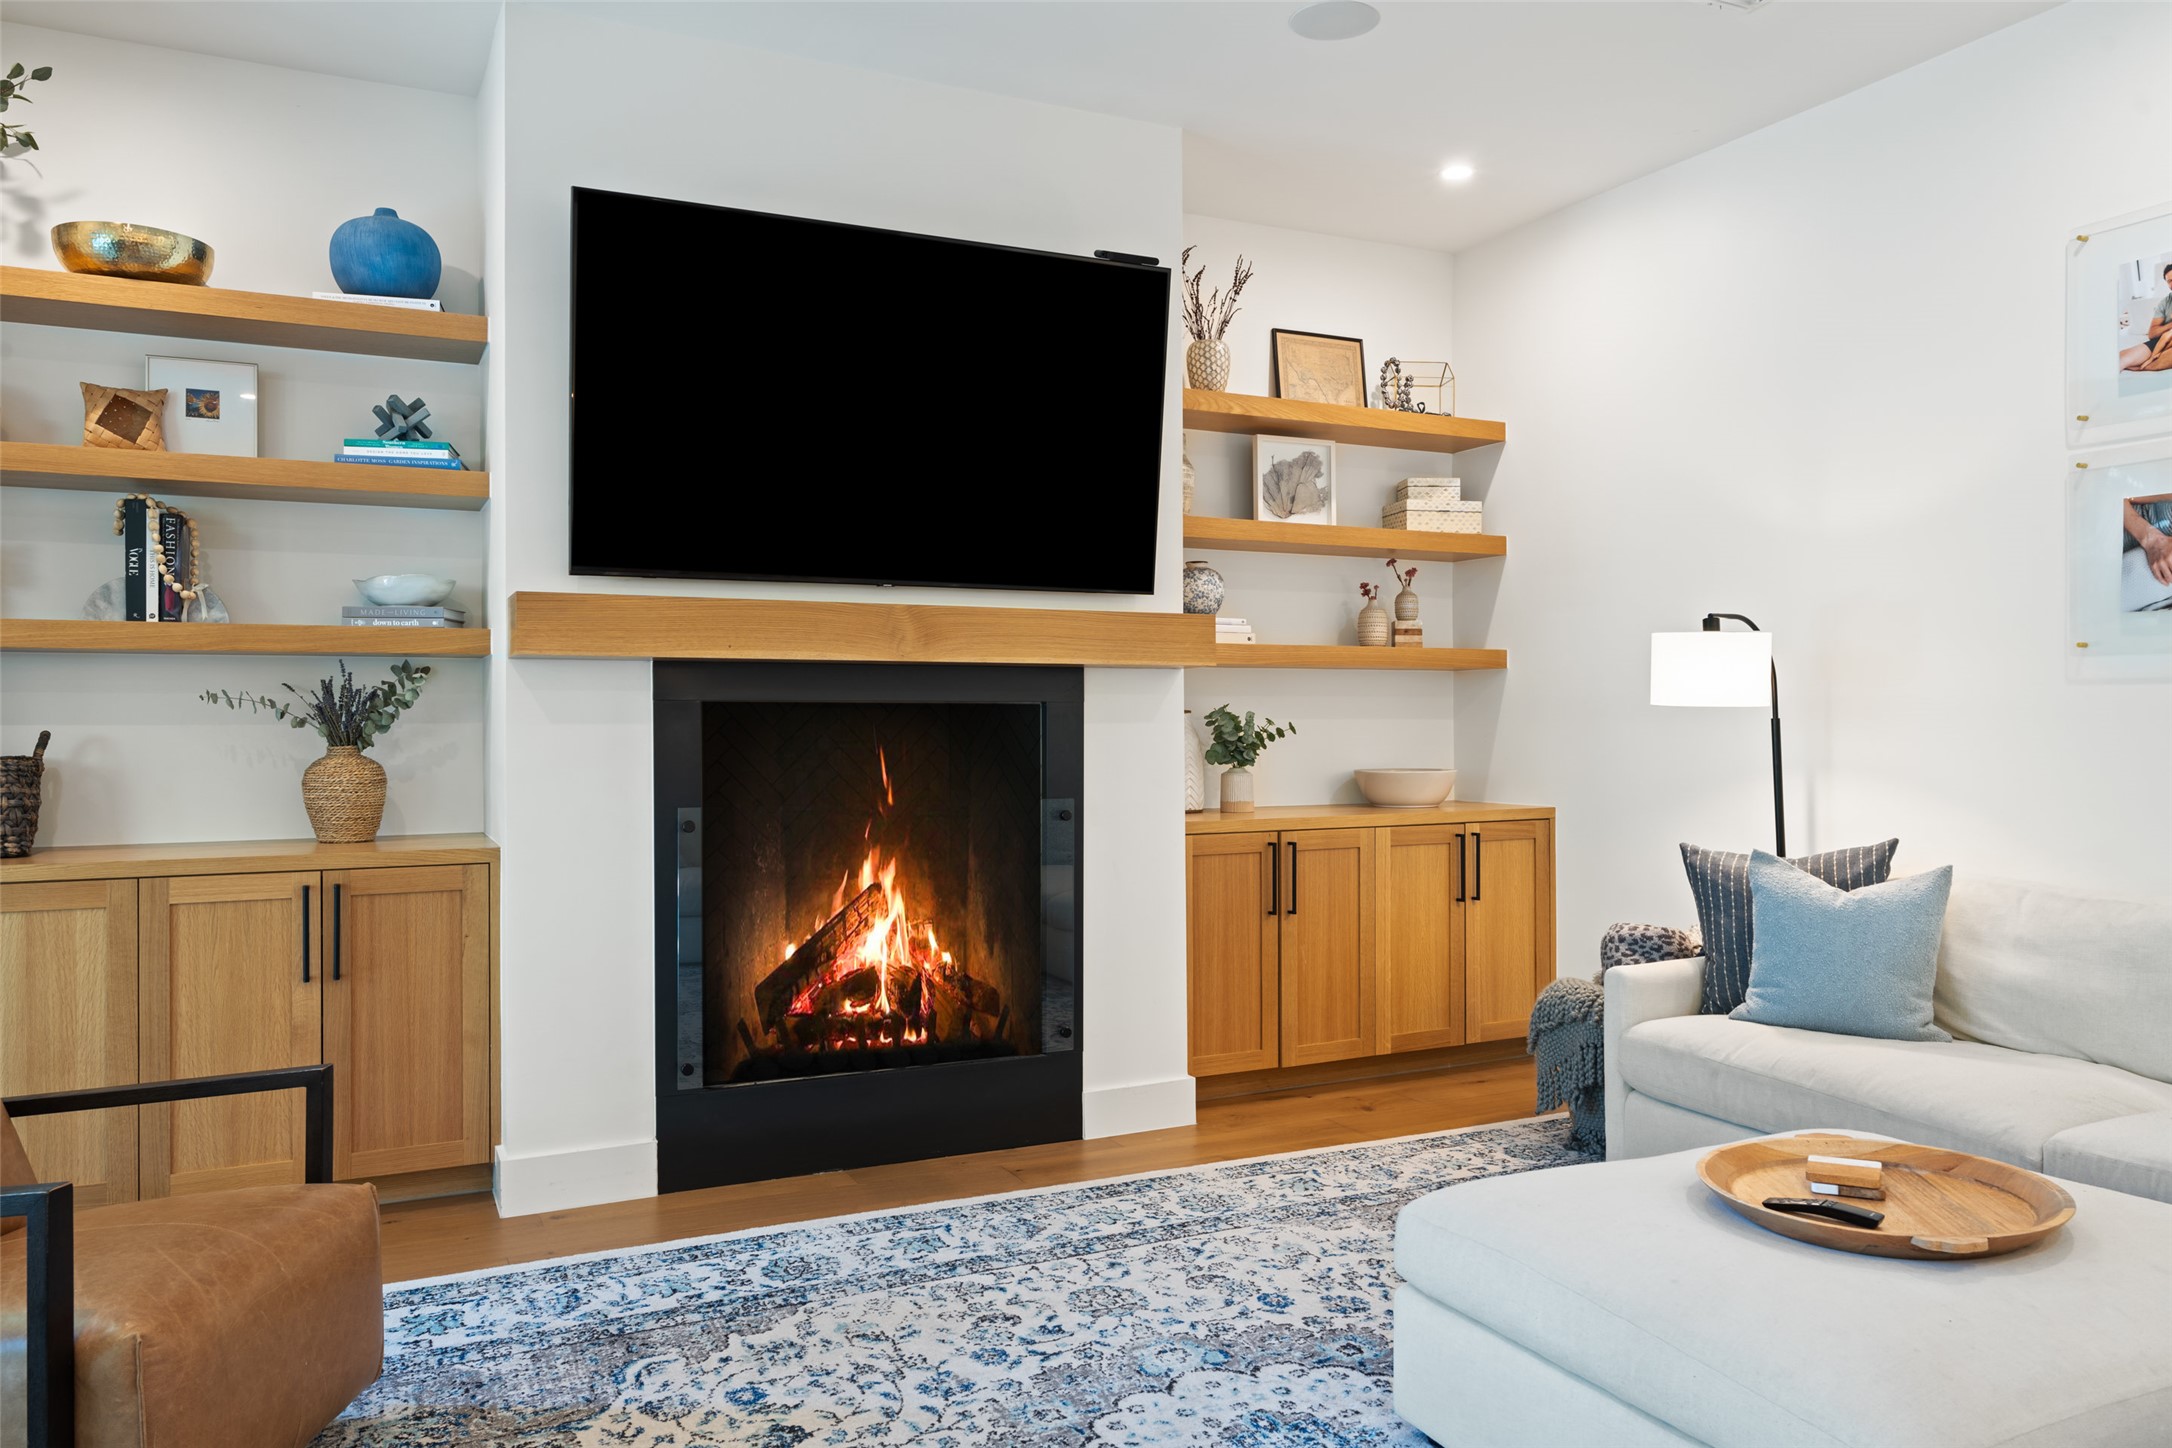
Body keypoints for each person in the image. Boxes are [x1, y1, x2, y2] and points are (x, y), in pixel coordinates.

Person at [2118, 262, 2172, 371]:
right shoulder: (2165, 303)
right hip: (2159, 342)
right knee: (2121, 358)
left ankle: (2144, 367)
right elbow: (2152, 333)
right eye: (2169, 281)